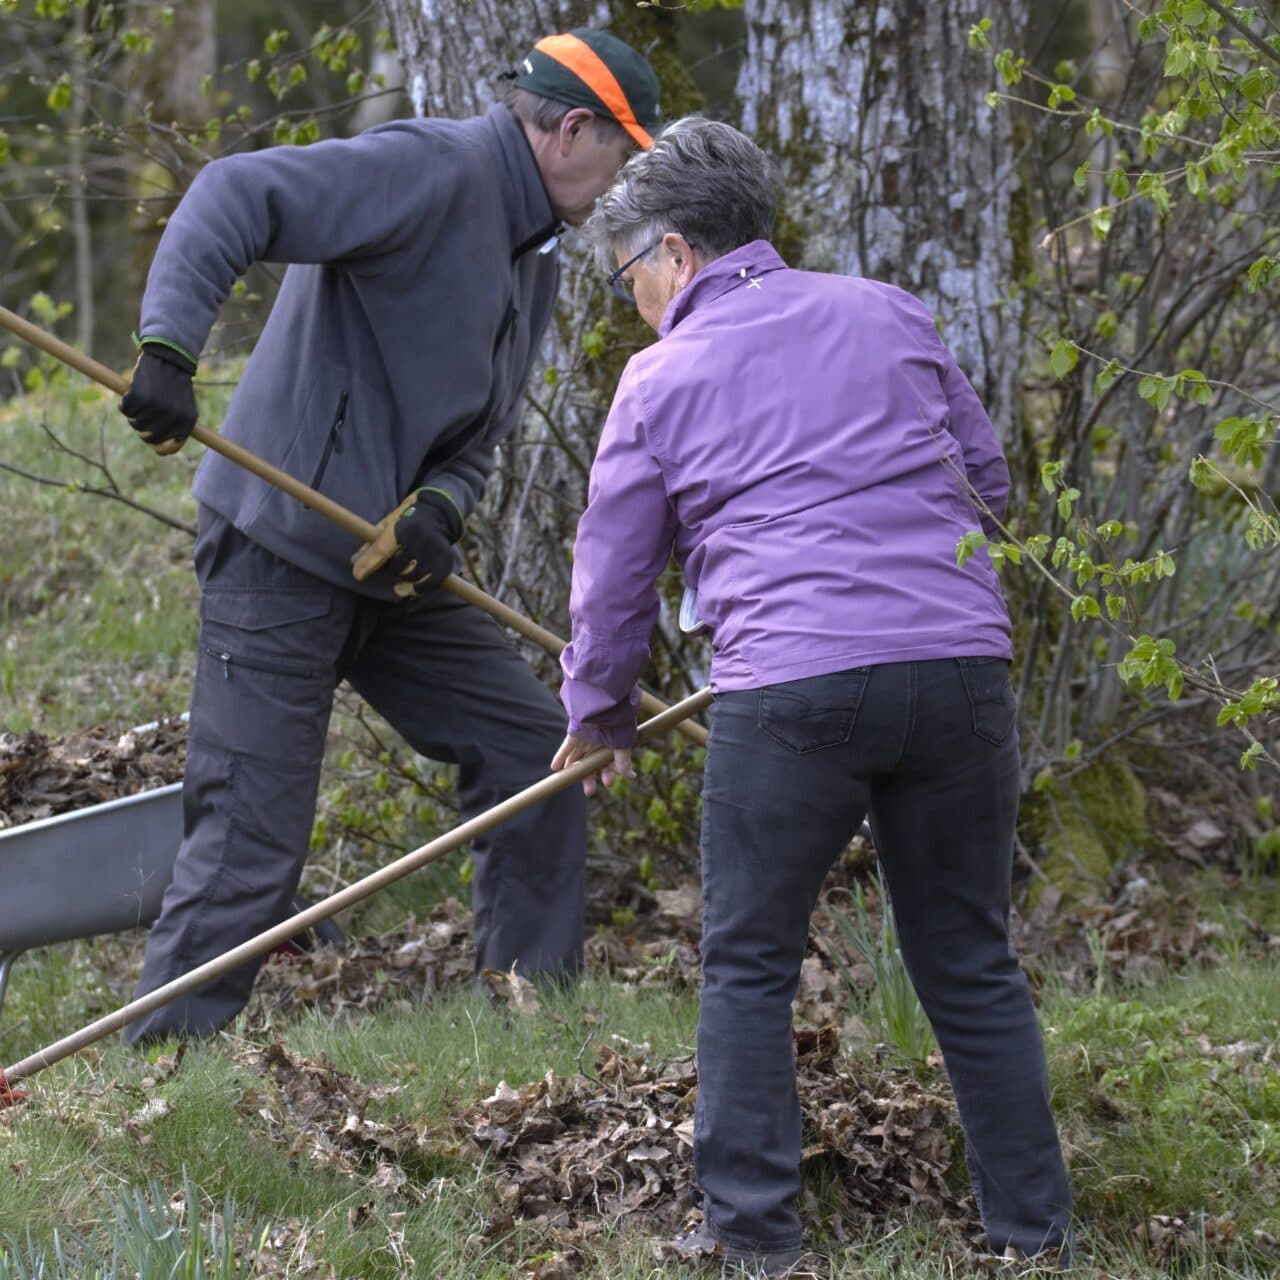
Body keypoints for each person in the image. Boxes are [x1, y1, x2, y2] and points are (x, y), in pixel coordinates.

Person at [550, 118, 1073, 1275]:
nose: (635, 297)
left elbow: (614, 569)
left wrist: (598, 710)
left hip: (789, 692)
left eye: (632, 272)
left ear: (675, 253)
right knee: (968, 955)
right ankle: (1032, 1238)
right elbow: (983, 485)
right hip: (956, 676)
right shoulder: (886, 311)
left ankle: (753, 1239)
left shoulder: (660, 376)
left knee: (746, 960)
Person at [117, 29, 662, 1044]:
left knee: (532, 757)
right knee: (251, 840)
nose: (626, 183)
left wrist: (441, 509)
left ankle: (527, 1026)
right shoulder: (431, 169)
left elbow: (470, 439)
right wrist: (167, 343)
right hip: (279, 548)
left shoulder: (532, 252)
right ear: (571, 130)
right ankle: (162, 1078)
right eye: (624, 156)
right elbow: (234, 194)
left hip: (384, 576)